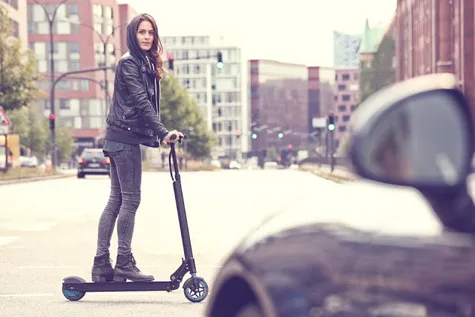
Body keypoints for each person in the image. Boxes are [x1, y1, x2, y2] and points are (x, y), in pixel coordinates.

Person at [91, 13, 184, 283]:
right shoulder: (130, 63)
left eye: (150, 33)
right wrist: (163, 133)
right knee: (130, 200)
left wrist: (160, 133)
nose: (146, 37)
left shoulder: (143, 62)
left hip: (119, 137)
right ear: (133, 35)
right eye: (142, 32)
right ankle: (123, 262)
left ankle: (101, 264)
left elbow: (146, 103)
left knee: (117, 200)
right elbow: (142, 102)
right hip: (125, 138)